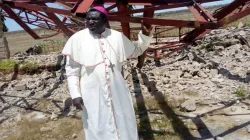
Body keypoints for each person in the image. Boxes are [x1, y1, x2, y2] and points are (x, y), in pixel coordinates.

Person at [62, 6, 153, 140]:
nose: (90, 22)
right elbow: (72, 71)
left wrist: (145, 36)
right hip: (92, 91)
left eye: (95, 19)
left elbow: (136, 50)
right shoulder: (77, 39)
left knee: (123, 118)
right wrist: (75, 94)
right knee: (96, 123)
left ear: (104, 21)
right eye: (88, 19)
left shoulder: (116, 36)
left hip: (117, 90)